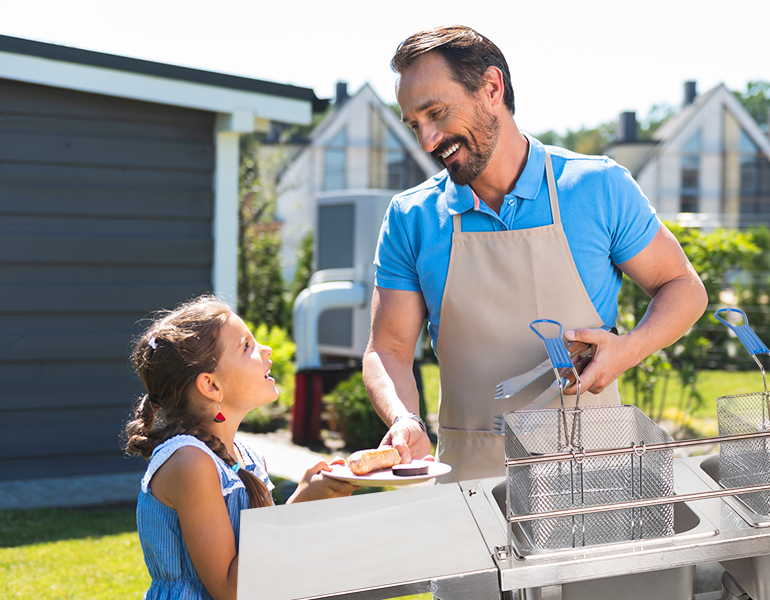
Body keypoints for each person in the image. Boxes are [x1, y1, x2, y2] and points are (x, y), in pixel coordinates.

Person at [363, 25, 708, 484]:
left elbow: (684, 287)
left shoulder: (597, 187)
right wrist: (404, 417)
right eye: (415, 124)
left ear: (492, 88)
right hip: (471, 484)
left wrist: (628, 350)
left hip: (596, 475)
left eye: (437, 113)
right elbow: (386, 349)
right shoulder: (413, 217)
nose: (427, 141)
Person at [124, 295, 357, 600]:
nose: (266, 349)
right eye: (247, 346)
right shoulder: (190, 462)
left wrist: (316, 500)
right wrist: (301, 503)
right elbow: (232, 589)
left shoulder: (245, 457)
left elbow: (263, 563)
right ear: (211, 386)